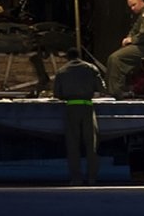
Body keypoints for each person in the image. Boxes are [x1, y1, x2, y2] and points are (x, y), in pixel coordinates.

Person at [52, 46, 106, 185]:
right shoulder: (91, 68)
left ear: (67, 57)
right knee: (91, 144)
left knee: (73, 145)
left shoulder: (61, 71)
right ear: (79, 56)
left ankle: (76, 179)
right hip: (87, 107)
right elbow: (101, 88)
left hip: (71, 108)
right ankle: (92, 178)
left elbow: (57, 93)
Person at [106, 0, 144, 98]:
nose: (132, 8)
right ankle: (113, 89)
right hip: (141, 45)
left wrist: (132, 40)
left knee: (115, 58)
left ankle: (116, 91)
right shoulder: (142, 14)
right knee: (113, 57)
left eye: (134, 5)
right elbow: (135, 30)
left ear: (140, 1)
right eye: (130, 6)